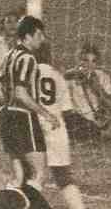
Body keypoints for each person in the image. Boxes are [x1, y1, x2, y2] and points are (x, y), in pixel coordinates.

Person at [0, 15, 59, 199]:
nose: (42, 39)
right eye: (39, 34)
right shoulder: (28, 58)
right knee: (38, 174)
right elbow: (21, 93)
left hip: (8, 118)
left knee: (18, 176)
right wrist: (46, 114)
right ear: (28, 36)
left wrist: (9, 104)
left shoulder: (9, 55)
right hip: (24, 119)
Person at [35, 44, 86, 209]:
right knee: (63, 177)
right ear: (50, 55)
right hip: (57, 131)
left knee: (31, 174)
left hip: (34, 129)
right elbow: (67, 110)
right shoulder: (58, 76)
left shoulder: (27, 73)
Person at [64, 42, 111, 141]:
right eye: (85, 60)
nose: (89, 65)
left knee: (91, 130)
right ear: (78, 60)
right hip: (74, 118)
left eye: (93, 61)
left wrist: (96, 87)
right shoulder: (69, 77)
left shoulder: (102, 77)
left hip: (93, 120)